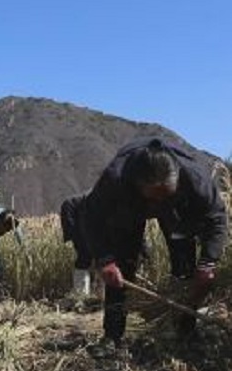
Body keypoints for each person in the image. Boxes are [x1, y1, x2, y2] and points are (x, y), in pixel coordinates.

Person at [83, 137, 228, 348]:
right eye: (154, 197)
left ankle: (185, 331)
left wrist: (208, 262)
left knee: (185, 270)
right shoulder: (116, 178)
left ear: (177, 182)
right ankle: (112, 337)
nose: (158, 203)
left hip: (178, 212)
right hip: (129, 210)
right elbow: (91, 216)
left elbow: (216, 218)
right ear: (139, 185)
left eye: (164, 195)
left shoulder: (196, 180)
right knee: (120, 271)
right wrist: (105, 258)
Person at [60, 192, 92, 295]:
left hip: (85, 217)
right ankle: (81, 296)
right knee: (84, 256)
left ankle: (98, 295)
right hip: (74, 215)